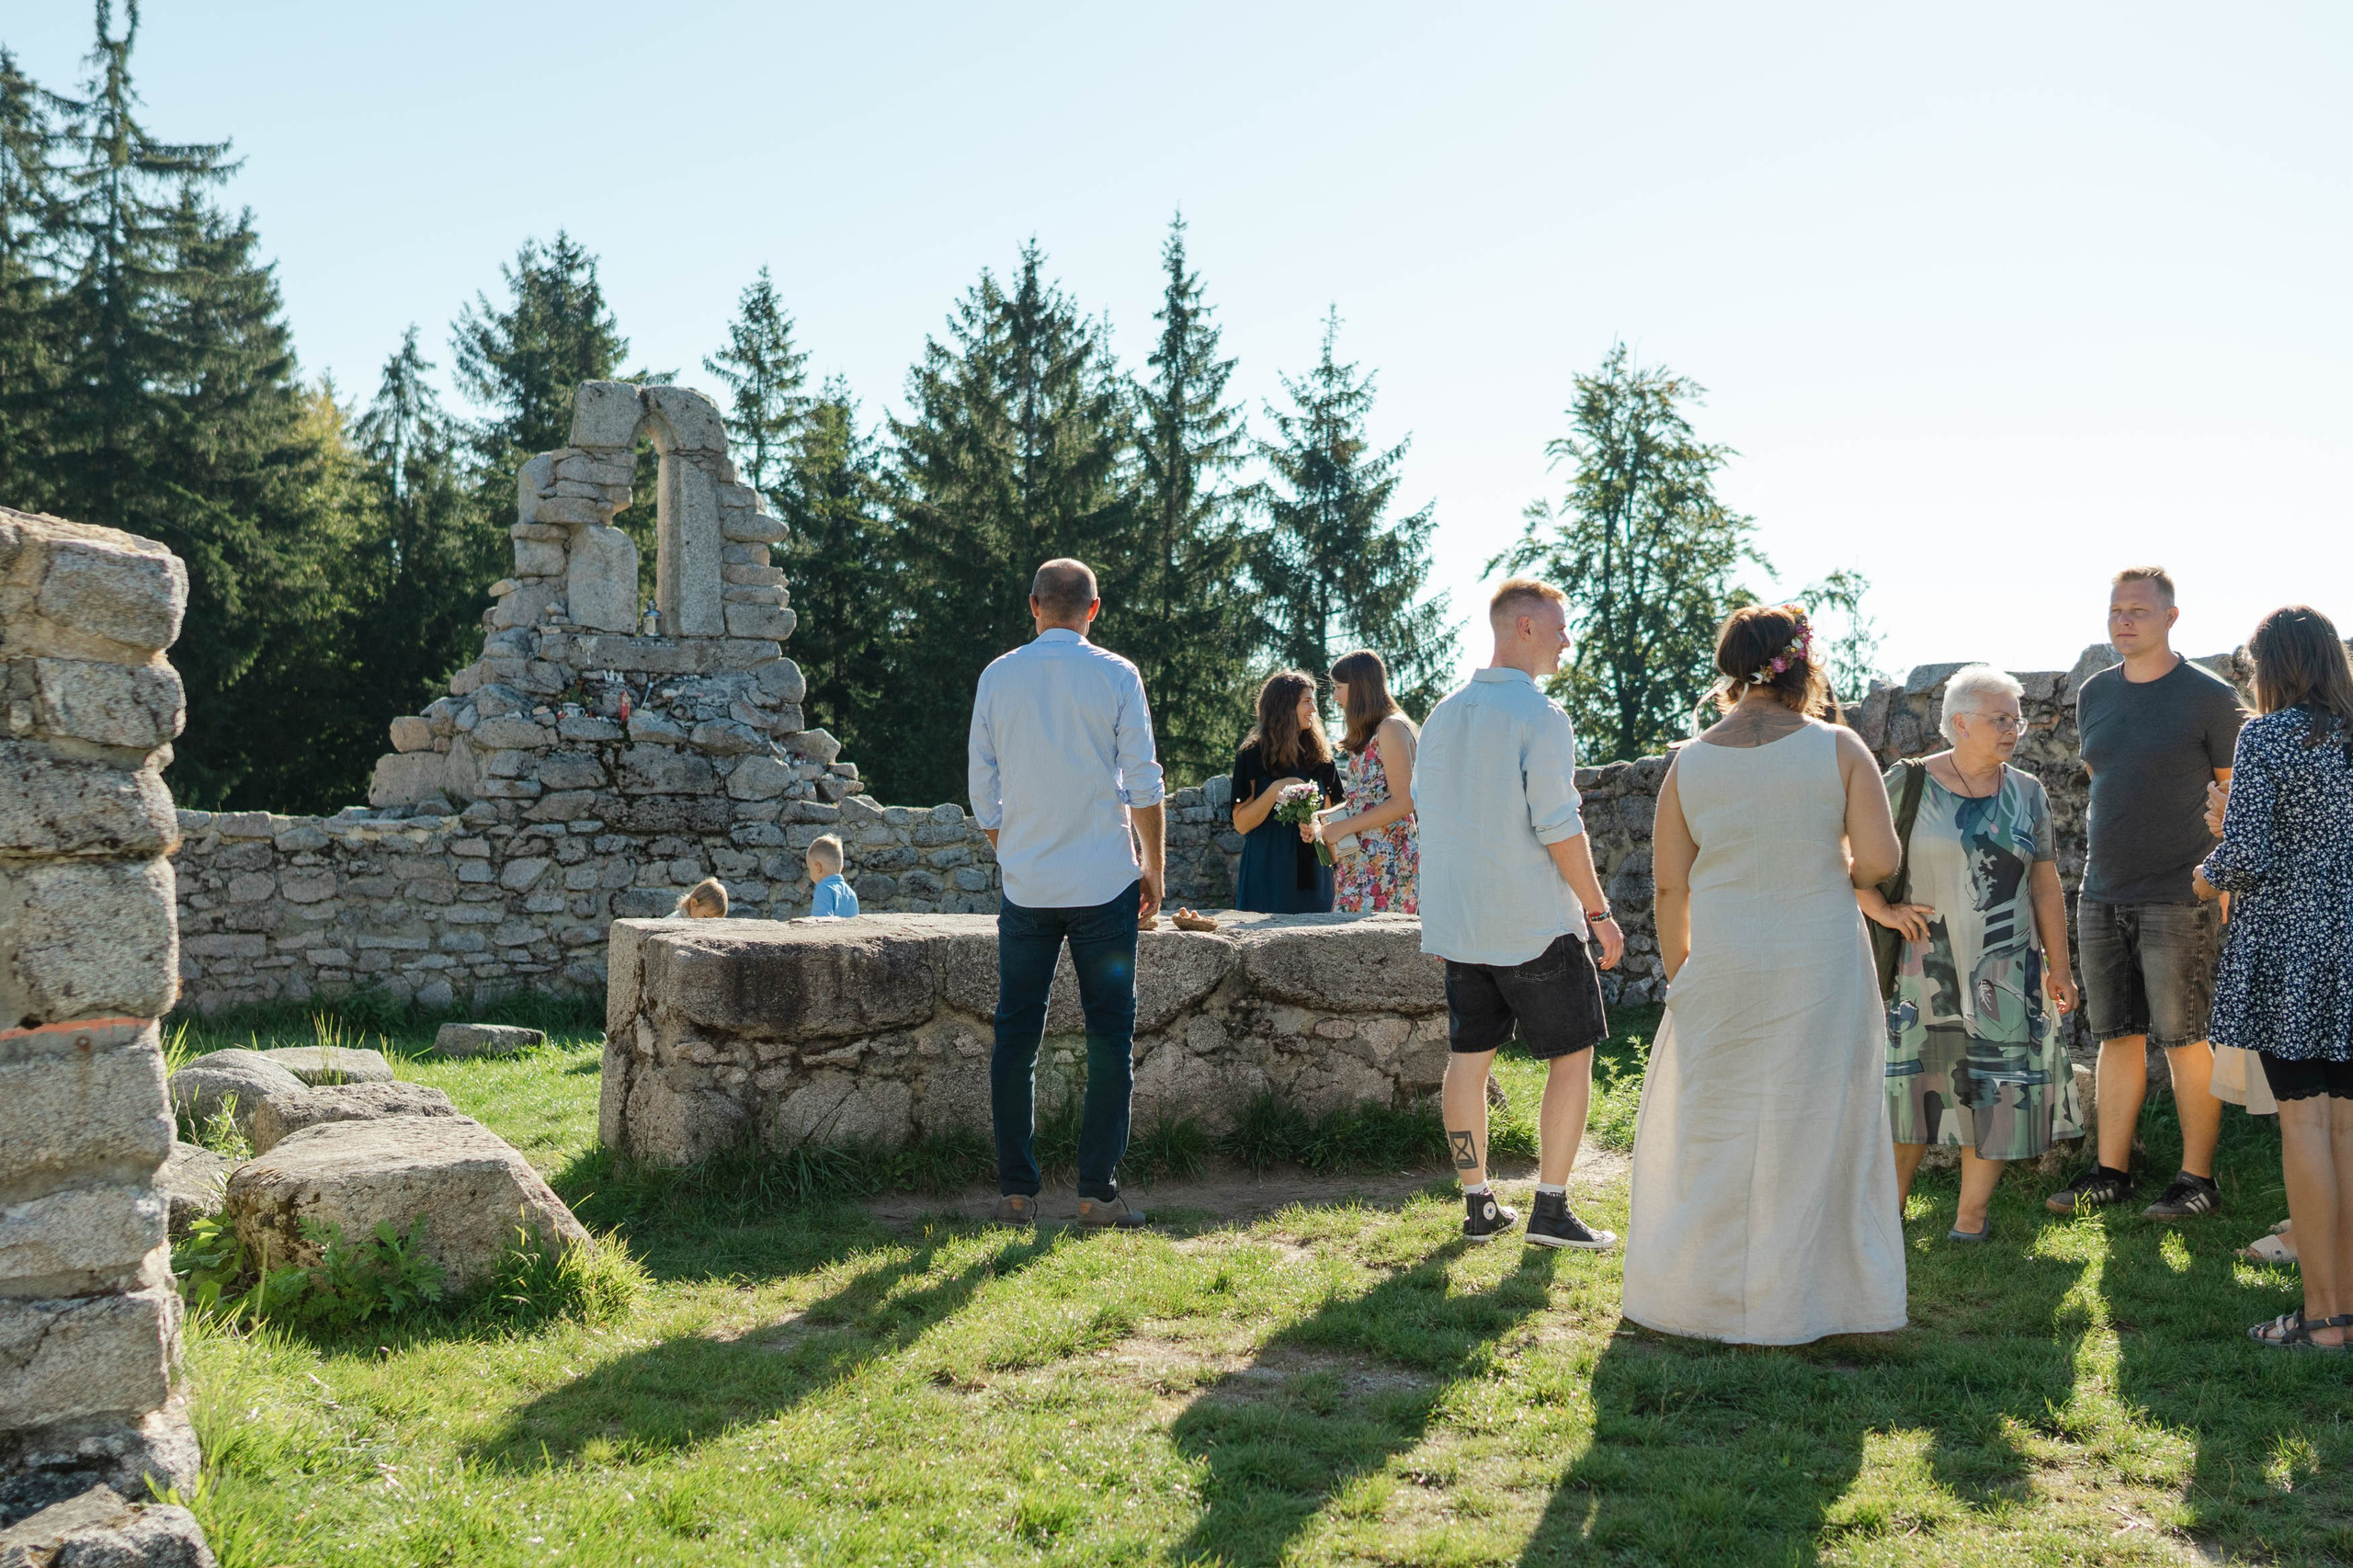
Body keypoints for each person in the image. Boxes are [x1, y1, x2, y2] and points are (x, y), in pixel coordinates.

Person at [1624, 604, 1908, 1343]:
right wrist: (1840, 859)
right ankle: (1813, 1299)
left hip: (1720, 959)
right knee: (1817, 1120)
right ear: (1802, 662)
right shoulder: (1839, 748)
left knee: (1717, 1123)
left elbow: (1668, 887)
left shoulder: (1690, 760)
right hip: (1816, 956)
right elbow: (1880, 862)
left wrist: (1683, 971)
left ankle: (1701, 1297)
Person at [1415, 578, 1624, 1250]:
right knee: (1572, 1057)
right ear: (1524, 628)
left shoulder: (1443, 715)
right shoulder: (1540, 717)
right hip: (1533, 924)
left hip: (1461, 925)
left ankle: (1478, 1205)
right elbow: (1560, 826)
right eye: (1560, 627)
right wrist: (1598, 912)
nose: (1568, 639)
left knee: (1467, 1061)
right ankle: (1552, 1210)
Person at [969, 558, 1165, 1231]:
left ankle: (1017, 1194)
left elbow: (981, 787)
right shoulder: (1116, 675)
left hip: (1027, 887)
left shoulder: (998, 676)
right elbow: (1144, 780)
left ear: (1033, 606)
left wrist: (1014, 851)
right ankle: (1096, 1193)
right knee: (1109, 1035)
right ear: (1094, 608)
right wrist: (1153, 866)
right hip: (1104, 882)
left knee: (1015, 1036)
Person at [1861, 665, 2084, 1242]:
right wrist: (1884, 911)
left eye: (2017, 718)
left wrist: (2059, 967)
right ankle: (1887, 1214)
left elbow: (2044, 884)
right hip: (1921, 966)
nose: (2014, 728)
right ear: (1959, 724)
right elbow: (1844, 856)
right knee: (1909, 1091)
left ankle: (1970, 1220)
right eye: (2000, 718)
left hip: (2007, 968)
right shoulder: (1906, 783)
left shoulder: (2027, 792)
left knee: (1999, 1089)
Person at [2050, 567, 2245, 1220]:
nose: (2124, 620)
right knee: (2115, 1035)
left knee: (2185, 1037)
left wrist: (2219, 884)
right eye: (2115, 610)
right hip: (2101, 890)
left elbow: (2233, 796)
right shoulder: (2095, 694)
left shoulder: (2210, 697)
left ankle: (2198, 1183)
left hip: (2179, 892)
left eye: (2138, 610)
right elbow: (2104, 780)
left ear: (2171, 617)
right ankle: (2111, 1173)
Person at [2191, 606, 2353, 1348]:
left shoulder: (2269, 736)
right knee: (2348, 1128)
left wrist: (2206, 869)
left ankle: (2324, 1320)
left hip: (2293, 954)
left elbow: (2246, 857)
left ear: (2274, 667)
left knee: (2307, 1124)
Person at [1311, 649, 1420, 915]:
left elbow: (1404, 802)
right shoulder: (1369, 734)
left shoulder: (1391, 728)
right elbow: (1365, 801)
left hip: (1388, 860)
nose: (1334, 696)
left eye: (1338, 687)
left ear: (1359, 687)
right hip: (1361, 860)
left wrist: (1343, 826)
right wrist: (1323, 818)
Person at [1230, 671, 1341, 914]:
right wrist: (1277, 789)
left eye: (1314, 701)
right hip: (1266, 871)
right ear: (1284, 706)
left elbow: (1337, 816)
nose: (1313, 709)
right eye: (1306, 701)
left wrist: (1339, 874)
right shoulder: (1251, 755)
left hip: (1313, 873)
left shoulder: (1322, 759)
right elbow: (1241, 823)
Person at [806, 835, 858, 918]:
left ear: (818, 867)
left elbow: (821, 921)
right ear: (841, 867)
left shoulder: (823, 889)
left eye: (809, 868)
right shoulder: (851, 893)